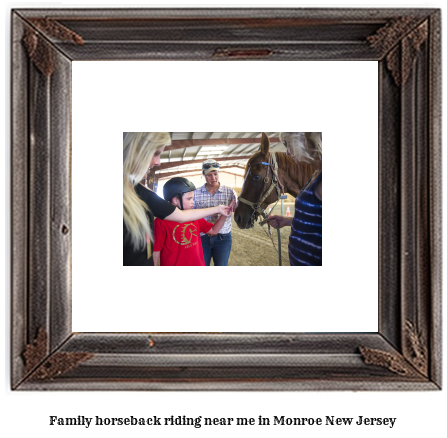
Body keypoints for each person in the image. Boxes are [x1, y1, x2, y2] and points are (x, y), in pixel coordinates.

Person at [123, 133, 232, 266]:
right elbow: (155, 251)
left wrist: (223, 212)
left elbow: (210, 229)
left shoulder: (139, 190)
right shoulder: (161, 223)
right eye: (156, 153)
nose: (158, 162)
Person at [266, 132, 322, 266]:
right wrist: (289, 221)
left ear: (304, 139)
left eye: (288, 144)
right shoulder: (316, 173)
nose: (288, 153)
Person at [152, 177, 232, 266]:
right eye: (189, 199)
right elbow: (155, 252)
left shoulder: (194, 216)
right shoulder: (161, 222)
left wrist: (225, 214)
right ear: (175, 200)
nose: (192, 202)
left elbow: (213, 230)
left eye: (193, 198)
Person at [193, 159, 238, 266]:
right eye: (209, 175)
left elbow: (238, 208)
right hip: (202, 237)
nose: (213, 178)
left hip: (223, 238)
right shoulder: (196, 193)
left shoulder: (229, 191)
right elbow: (192, 214)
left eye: (215, 174)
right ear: (203, 175)